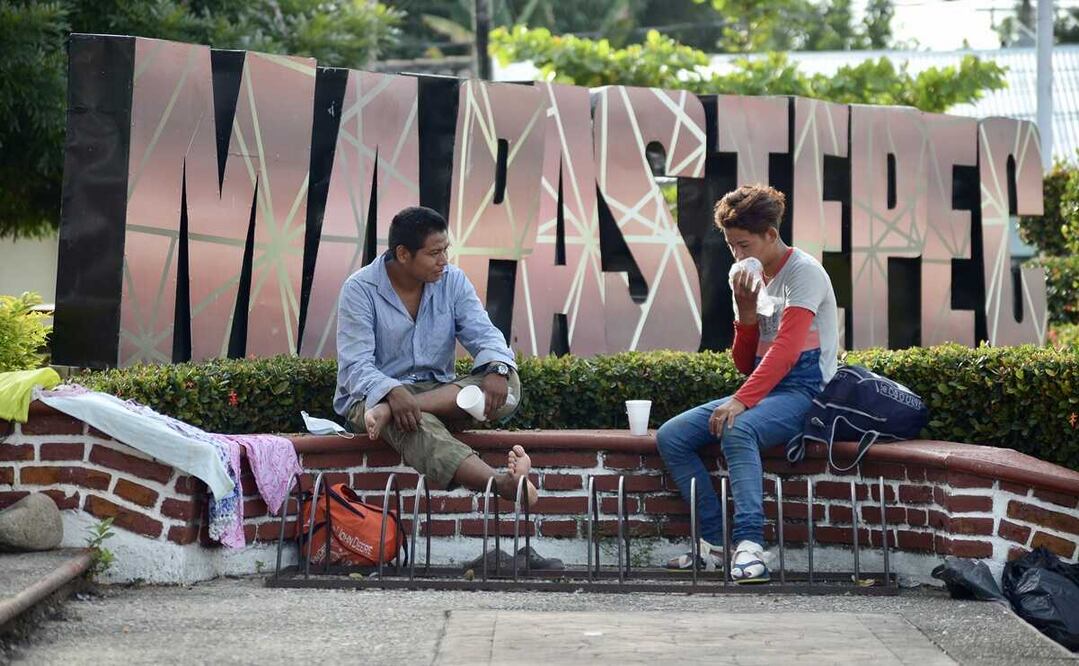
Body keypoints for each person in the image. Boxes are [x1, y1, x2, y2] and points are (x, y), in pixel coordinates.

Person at [656, 184, 838, 583]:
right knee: (672, 436)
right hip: (769, 389)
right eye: (731, 247)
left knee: (738, 428)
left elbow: (788, 351)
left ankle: (751, 546)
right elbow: (745, 363)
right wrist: (746, 311)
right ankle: (713, 545)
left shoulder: (803, 273)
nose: (738, 256)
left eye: (744, 245)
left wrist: (740, 402)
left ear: (771, 234)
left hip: (809, 392)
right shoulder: (750, 277)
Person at [333, 206, 537, 508]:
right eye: (434, 253)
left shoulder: (452, 280)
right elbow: (356, 366)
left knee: (509, 383)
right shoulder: (360, 289)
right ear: (403, 254)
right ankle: (501, 485)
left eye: (446, 250)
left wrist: (496, 366)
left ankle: (401, 409)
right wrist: (391, 392)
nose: (444, 261)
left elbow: (484, 333)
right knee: (413, 424)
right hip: (370, 399)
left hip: (435, 392)